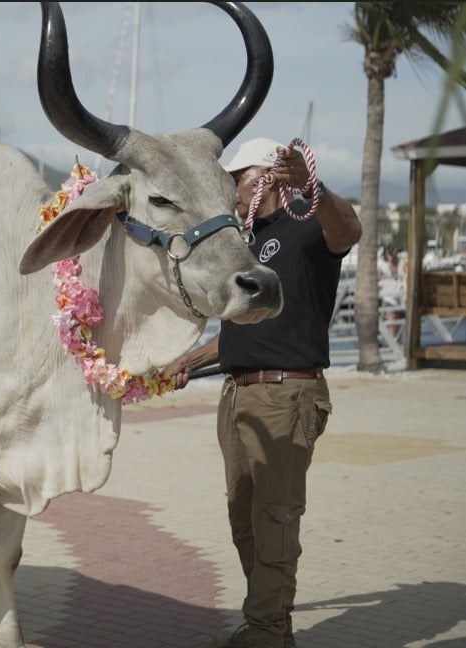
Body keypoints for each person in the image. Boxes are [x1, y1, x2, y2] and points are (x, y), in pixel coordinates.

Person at [163, 137, 362, 648]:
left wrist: (311, 186)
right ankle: (271, 627)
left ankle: (266, 633)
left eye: (235, 178)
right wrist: (189, 360)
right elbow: (242, 328)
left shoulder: (308, 223)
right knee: (245, 521)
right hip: (237, 395)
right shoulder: (244, 241)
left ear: (265, 177)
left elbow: (351, 230)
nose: (229, 189)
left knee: (274, 520)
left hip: (286, 396)